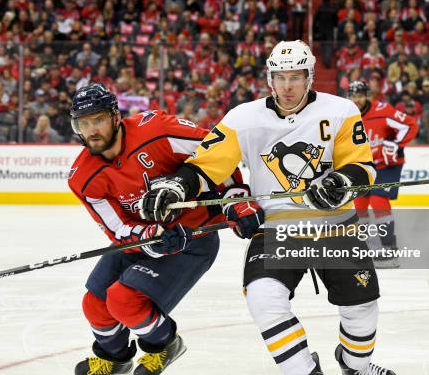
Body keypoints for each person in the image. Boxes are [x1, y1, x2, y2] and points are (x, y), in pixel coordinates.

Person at [139, 41, 395, 375]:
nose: (287, 85)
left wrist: (339, 184)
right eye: (280, 76)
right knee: (263, 297)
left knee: (362, 310)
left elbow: (363, 166)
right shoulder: (242, 118)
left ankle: (354, 364)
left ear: (310, 77)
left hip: (336, 226)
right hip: (277, 228)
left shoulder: (341, 111)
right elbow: (206, 166)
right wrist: (178, 184)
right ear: (269, 79)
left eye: (296, 76)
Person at [68, 84, 241, 375]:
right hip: (142, 241)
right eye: (83, 123)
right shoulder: (83, 177)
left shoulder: (157, 130)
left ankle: (165, 345)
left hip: (192, 239)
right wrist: (147, 238)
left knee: (124, 301)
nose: (91, 130)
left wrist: (235, 196)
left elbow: (217, 151)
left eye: (97, 119)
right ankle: (116, 358)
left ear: (114, 117)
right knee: (94, 304)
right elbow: (117, 228)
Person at [348, 81, 419, 267]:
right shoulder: (345, 115)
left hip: (386, 165)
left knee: (379, 201)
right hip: (363, 167)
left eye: (360, 95)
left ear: (367, 95)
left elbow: (410, 125)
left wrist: (396, 143)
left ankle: (389, 250)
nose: (357, 99)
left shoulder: (382, 110)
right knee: (359, 206)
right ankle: (362, 249)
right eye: (354, 96)